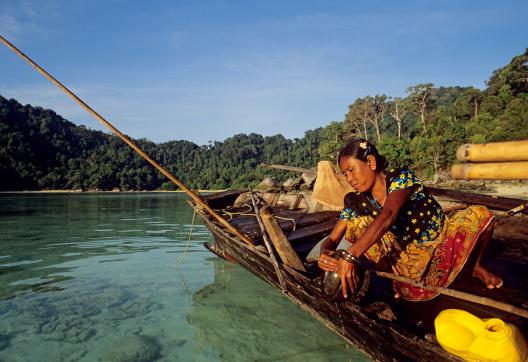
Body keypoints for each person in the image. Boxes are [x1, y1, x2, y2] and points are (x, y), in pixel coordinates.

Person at [316, 139, 503, 301]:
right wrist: (325, 252)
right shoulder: (355, 200)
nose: (349, 178)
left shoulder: (401, 178)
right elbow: (333, 239)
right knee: (357, 225)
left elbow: (388, 216)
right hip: (408, 256)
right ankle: (395, 279)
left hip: (439, 241)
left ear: (371, 162)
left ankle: (476, 265)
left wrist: (350, 256)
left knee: (479, 214)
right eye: (345, 174)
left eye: (352, 170)